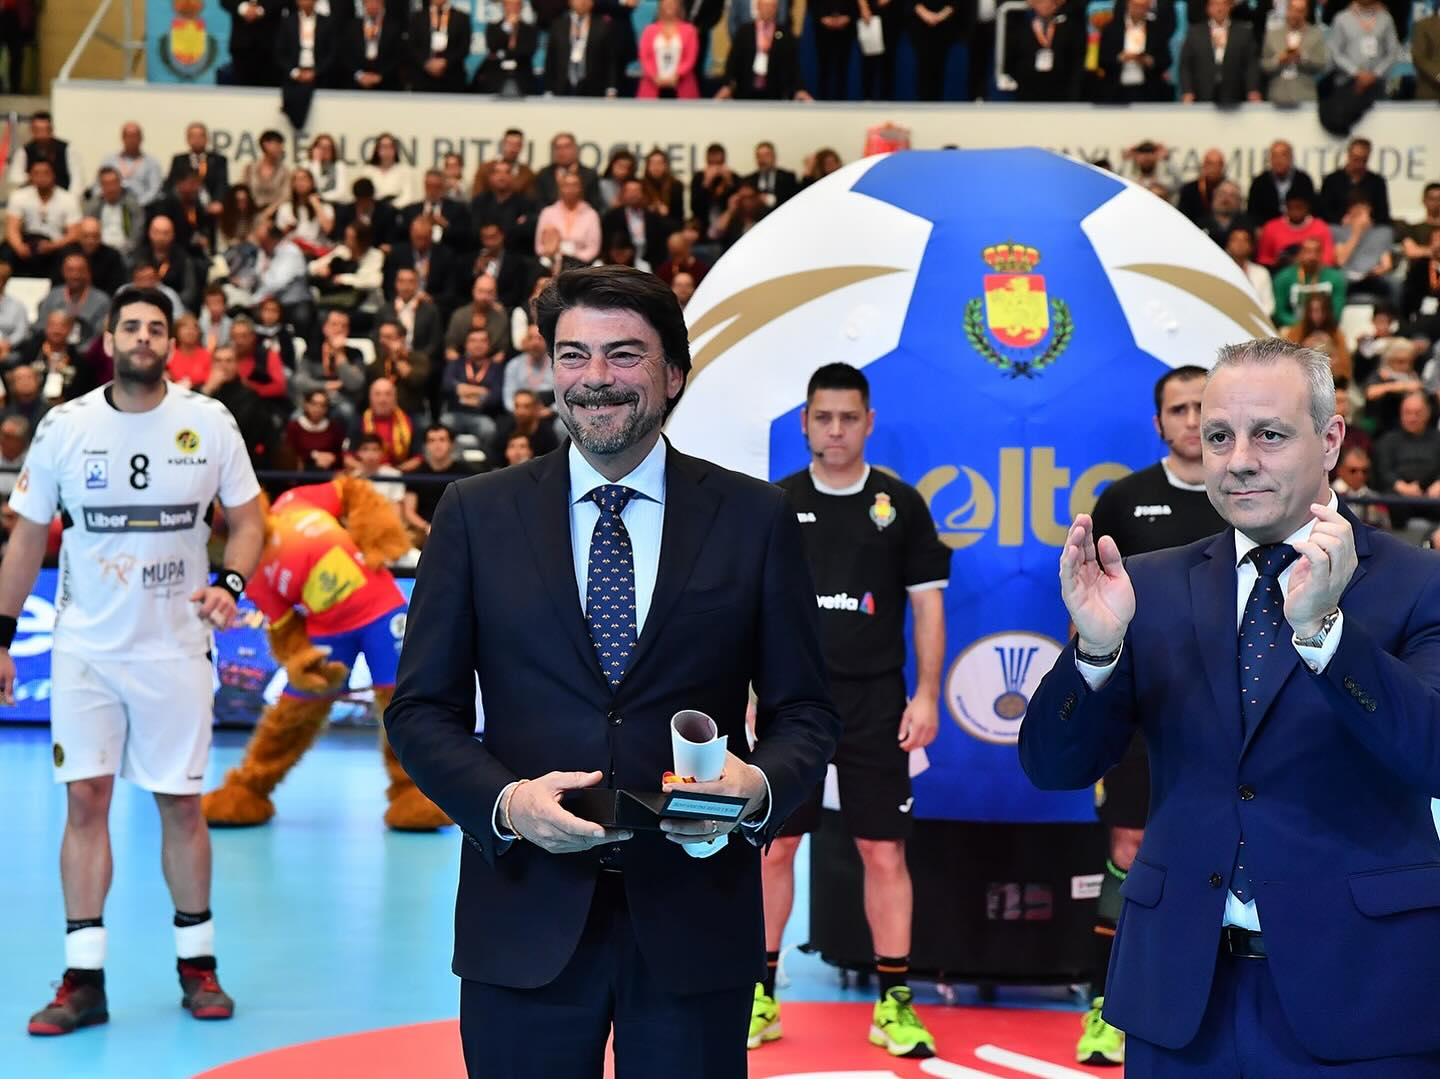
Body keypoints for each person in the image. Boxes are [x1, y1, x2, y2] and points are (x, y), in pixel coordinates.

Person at [384, 265, 840, 1079]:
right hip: (522, 915)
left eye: (624, 354)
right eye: (573, 354)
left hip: (696, 921)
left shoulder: (755, 518)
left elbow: (806, 710)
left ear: (674, 373)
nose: (595, 377)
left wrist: (758, 787)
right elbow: (419, 710)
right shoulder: (474, 513)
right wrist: (506, 804)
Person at [1022, 337, 1440, 1074]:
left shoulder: (1418, 581)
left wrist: (1327, 636)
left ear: (1331, 439)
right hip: (1180, 1001)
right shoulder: (1146, 585)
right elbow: (1055, 767)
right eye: (1219, 436)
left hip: (1363, 994)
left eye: (1269, 434)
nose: (1238, 459)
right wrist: (1094, 653)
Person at [1, 286, 264, 1036]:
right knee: (84, 802)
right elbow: (26, 536)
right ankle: (83, 980)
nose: (143, 336)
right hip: (85, 648)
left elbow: (249, 521)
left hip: (175, 647)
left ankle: (198, 965)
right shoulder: (65, 425)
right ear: (109, 339)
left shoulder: (209, 421)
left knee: (180, 803)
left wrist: (230, 584)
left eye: (156, 327)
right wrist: (1, 635)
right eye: (131, 326)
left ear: (171, 344)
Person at [757, 363, 950, 1059]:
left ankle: (893, 1003)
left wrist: (926, 694)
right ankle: (759, 995)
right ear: (805, 423)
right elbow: (753, 608)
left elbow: (927, 606)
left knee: (882, 849)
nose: (835, 430)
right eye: (823, 417)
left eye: (847, 417)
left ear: (868, 422)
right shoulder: (775, 504)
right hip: (792, 700)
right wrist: (749, 691)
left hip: (876, 700)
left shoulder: (901, 504)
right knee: (776, 846)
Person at [1072, 365, 1227, 1067]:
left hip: (1235, 712)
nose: (1191, 420)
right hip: (1142, 710)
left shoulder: (1247, 493)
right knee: (1129, 849)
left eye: (1201, 407)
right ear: (1159, 421)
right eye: (1178, 408)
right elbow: (1089, 608)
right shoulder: (1125, 499)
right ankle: (1105, 1006)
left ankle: (1215, 1001)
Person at [1179, 0, 1261, 105]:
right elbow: (1185, 65)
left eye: (1223, 4)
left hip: (1235, 95)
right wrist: (1187, 91)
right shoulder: (1195, 32)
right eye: (1215, 4)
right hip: (1202, 94)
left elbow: (1251, 63)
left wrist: (1252, 89)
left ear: (1230, 7)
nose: (1219, 8)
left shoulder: (1243, 31)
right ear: (1208, 8)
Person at [402, 423, 472, 537]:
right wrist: (426, 527)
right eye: (432, 440)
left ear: (452, 444)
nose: (437, 445)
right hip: (424, 531)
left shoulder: (466, 474)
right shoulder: (415, 474)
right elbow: (409, 511)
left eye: (442, 440)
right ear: (426, 445)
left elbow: (471, 508)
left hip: (459, 530)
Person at [1261, 0, 1328, 103]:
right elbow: (1263, 65)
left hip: (1305, 96)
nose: (1295, 14)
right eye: (1293, 9)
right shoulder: (1272, 35)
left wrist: (1303, 57)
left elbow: (1321, 64)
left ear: (1306, 12)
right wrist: (1278, 60)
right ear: (1287, 10)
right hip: (1277, 98)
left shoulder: (1315, 35)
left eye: (1300, 11)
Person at [638, 0, 701, 98]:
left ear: (679, 6)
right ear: (660, 6)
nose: (669, 5)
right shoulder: (649, 30)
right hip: (652, 87)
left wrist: (677, 76)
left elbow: (690, 58)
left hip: (682, 88)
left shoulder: (690, 30)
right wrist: (654, 76)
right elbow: (644, 57)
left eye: (673, 3)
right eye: (666, 3)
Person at [408, 0, 470, 92]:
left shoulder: (461, 17)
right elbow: (411, 46)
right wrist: (426, 63)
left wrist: (446, 62)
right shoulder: (418, 17)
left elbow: (464, 47)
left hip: (452, 77)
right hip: (422, 77)